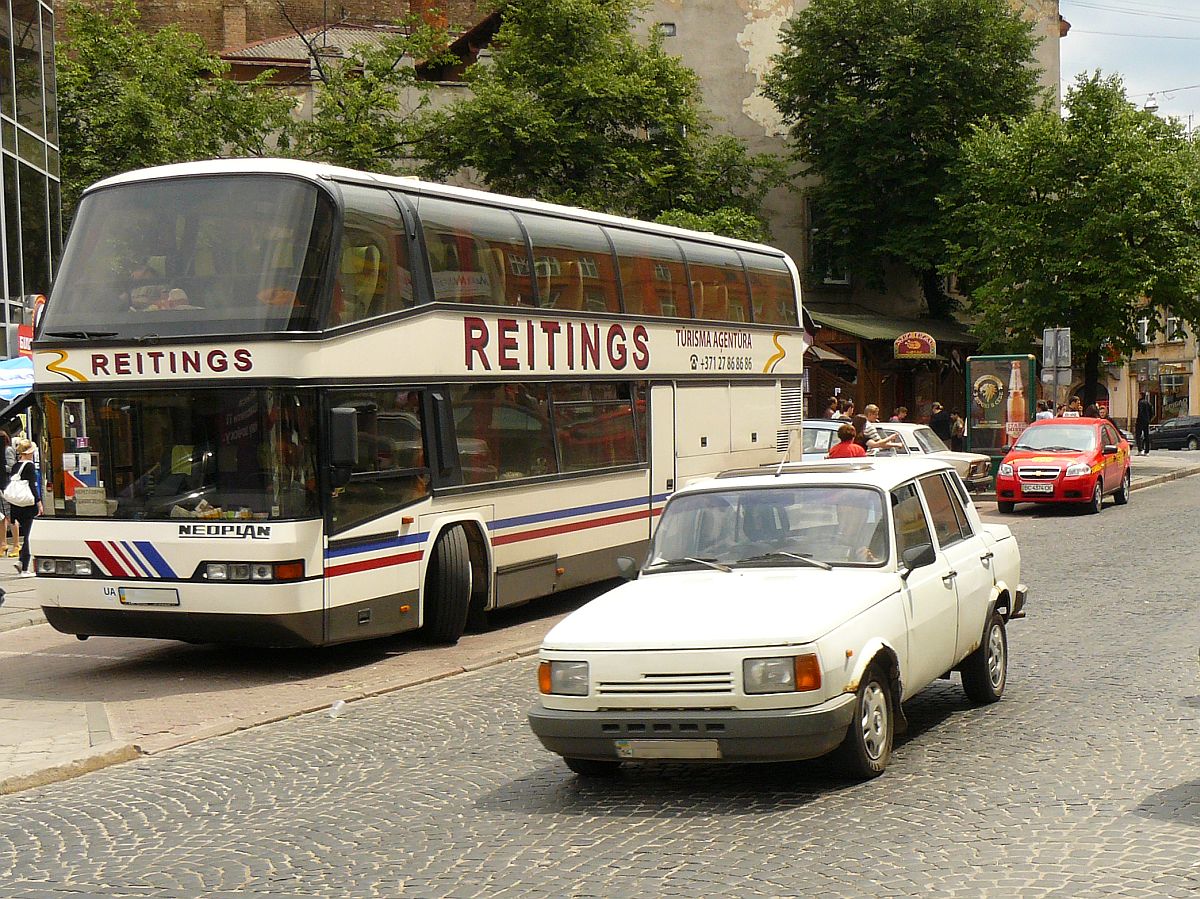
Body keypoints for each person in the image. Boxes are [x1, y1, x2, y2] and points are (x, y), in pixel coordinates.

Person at [8, 438, 40, 577]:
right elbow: (32, 485)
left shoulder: (16, 466)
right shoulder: (30, 466)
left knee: (26, 533)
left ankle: (21, 560)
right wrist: (38, 502)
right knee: (29, 535)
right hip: (28, 505)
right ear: (28, 453)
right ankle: (25, 566)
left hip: (16, 505)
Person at [1136, 391, 1154, 455]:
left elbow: (1140, 412)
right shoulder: (1148, 403)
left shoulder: (1140, 402)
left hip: (1140, 421)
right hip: (1146, 421)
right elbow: (1152, 412)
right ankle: (1147, 451)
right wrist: (1149, 419)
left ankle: (1140, 450)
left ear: (1141, 396)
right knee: (1146, 436)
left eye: (1139, 395)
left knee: (1138, 435)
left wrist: (1140, 419)